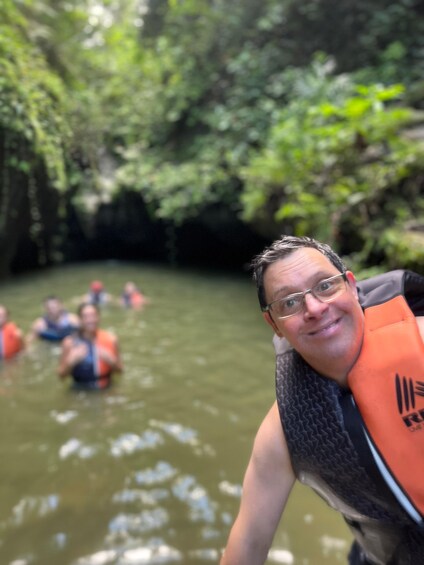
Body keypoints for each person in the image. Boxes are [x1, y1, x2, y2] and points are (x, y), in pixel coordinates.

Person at [220, 235, 424, 565]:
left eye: (326, 286)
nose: (315, 309)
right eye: (289, 303)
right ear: (274, 325)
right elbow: (247, 545)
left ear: (353, 287)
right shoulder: (284, 431)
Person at [58, 303, 122, 390]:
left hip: (107, 388)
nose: (90, 320)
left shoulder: (111, 339)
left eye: (93, 315)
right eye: (86, 317)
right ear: (80, 319)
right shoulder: (69, 342)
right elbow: (61, 375)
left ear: (99, 317)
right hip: (80, 389)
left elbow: (120, 370)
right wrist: (71, 362)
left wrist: (111, 361)